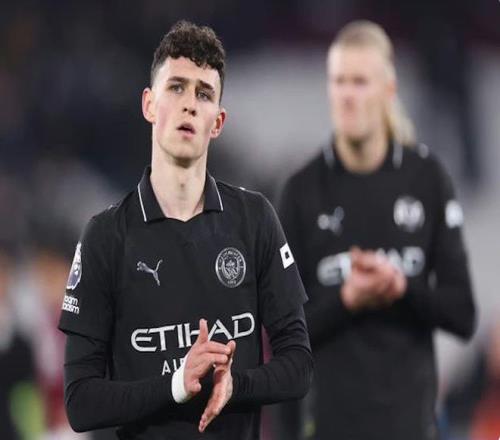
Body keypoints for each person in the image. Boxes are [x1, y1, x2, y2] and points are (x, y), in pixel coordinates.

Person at [58, 20, 313, 439]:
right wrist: (177, 384)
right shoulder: (105, 236)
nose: (190, 105)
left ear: (218, 122)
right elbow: (80, 402)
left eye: (204, 93)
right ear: (149, 104)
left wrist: (236, 385)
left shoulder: (254, 219)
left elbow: (299, 365)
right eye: (176, 87)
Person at [279, 20, 476, 440]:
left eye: (360, 82)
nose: (347, 95)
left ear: (388, 89)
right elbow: (283, 336)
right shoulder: (302, 191)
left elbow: (462, 314)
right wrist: (346, 300)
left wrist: (401, 288)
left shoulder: (426, 180)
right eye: (338, 81)